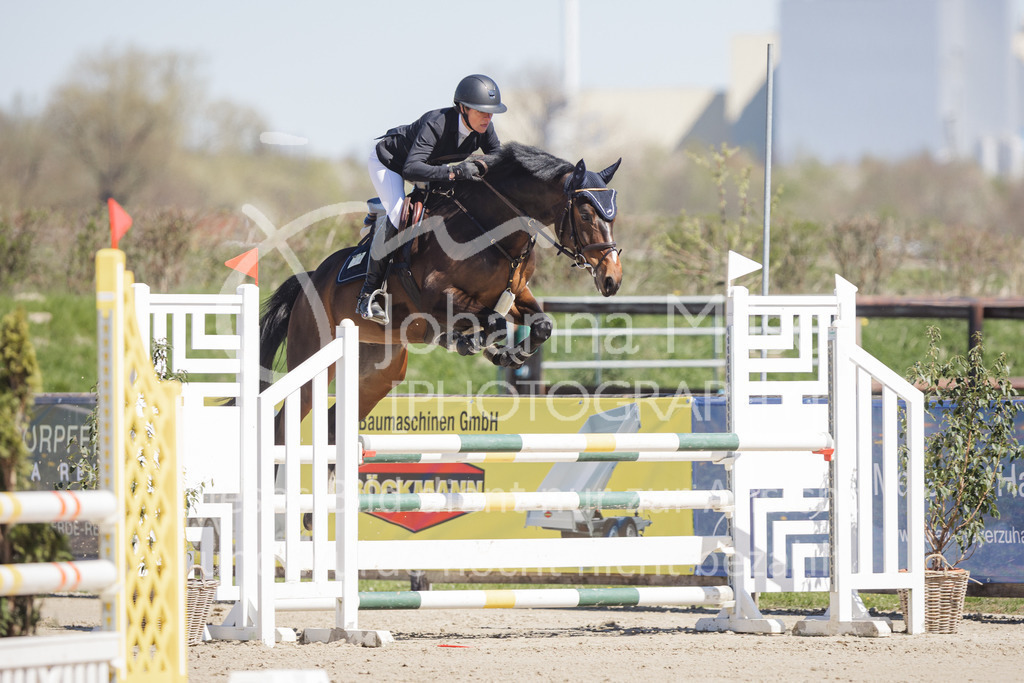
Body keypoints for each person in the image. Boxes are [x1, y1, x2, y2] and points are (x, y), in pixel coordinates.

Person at [357, 74, 508, 323]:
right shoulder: (436, 123)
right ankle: (368, 294)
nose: (488, 118)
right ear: (463, 108)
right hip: (391, 163)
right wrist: (456, 171)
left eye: (491, 113)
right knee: (398, 214)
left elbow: (499, 162)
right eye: (482, 112)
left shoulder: (484, 129)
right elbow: (411, 169)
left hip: (430, 170)